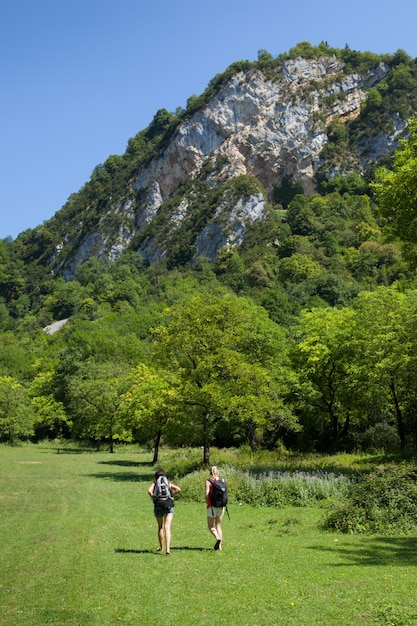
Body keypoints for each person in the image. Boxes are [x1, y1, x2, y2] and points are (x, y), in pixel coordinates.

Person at [148, 469, 181, 555]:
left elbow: (149, 491)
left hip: (158, 505)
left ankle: (161, 547)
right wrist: (171, 496)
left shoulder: (155, 483)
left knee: (160, 527)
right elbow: (178, 489)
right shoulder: (167, 482)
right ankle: (168, 550)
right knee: (167, 527)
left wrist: (154, 498)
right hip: (168, 505)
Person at [205, 465, 225, 551]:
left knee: (210, 526)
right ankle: (219, 547)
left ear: (210, 472)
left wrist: (207, 503)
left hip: (212, 506)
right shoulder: (222, 481)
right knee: (218, 525)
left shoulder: (208, 481)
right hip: (221, 506)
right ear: (218, 472)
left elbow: (207, 495)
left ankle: (217, 538)